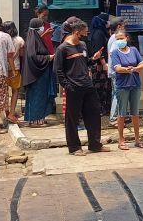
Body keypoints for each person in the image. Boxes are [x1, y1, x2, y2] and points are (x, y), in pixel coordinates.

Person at [54, 17, 110, 155]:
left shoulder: (83, 45)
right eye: (84, 33)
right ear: (76, 32)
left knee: (94, 114)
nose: (86, 35)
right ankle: (74, 147)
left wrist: (94, 59)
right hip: (73, 87)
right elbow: (58, 70)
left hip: (88, 85)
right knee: (72, 118)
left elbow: (85, 63)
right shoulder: (62, 48)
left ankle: (95, 144)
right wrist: (67, 85)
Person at [111, 32, 143, 150]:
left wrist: (135, 68)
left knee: (135, 113)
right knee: (121, 114)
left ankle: (137, 139)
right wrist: (129, 70)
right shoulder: (115, 52)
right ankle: (121, 140)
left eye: (121, 38)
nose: (119, 40)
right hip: (122, 86)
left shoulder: (134, 50)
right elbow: (117, 68)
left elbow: (142, 63)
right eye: (117, 39)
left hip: (135, 84)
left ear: (127, 38)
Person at [23, 18, 56, 127]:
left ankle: (38, 118)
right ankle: (36, 120)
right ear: (37, 27)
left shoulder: (34, 37)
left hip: (38, 73)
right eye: (41, 26)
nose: (43, 28)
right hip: (37, 75)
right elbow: (33, 56)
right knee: (37, 96)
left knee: (39, 96)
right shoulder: (33, 39)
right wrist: (48, 57)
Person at [89, 13, 112, 115]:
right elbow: (99, 50)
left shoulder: (100, 32)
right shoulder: (98, 33)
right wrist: (104, 64)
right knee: (101, 88)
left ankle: (105, 108)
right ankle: (101, 109)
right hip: (100, 66)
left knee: (105, 88)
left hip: (102, 65)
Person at [3, 21, 24, 124]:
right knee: (15, 91)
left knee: (5, 91)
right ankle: (12, 113)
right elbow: (22, 54)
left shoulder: (3, 39)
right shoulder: (19, 40)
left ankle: (6, 112)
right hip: (15, 67)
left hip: (3, 69)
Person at [107, 18, 126, 124]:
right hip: (116, 71)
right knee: (117, 95)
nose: (124, 27)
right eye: (123, 25)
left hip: (115, 70)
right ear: (119, 27)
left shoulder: (113, 38)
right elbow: (114, 54)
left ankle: (118, 116)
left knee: (116, 93)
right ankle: (114, 118)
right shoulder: (116, 38)